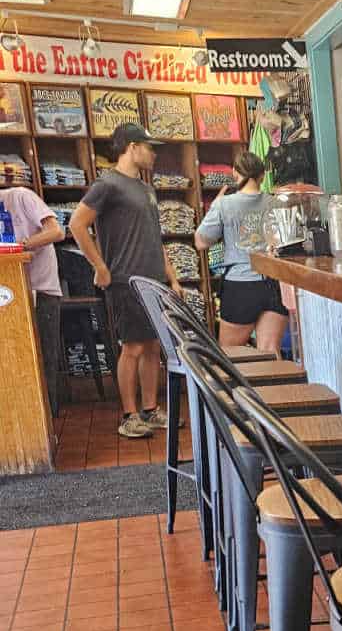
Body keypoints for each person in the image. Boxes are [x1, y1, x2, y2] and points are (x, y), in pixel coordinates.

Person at [69, 122, 185, 439]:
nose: (153, 154)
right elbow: (77, 224)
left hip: (154, 281)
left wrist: (172, 278)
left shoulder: (146, 189)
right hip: (126, 281)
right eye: (149, 147)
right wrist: (100, 267)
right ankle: (129, 416)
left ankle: (149, 409)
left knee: (152, 347)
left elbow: (154, 237)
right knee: (132, 347)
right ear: (132, 147)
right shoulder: (107, 184)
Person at [194, 152, 288, 353]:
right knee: (270, 352)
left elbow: (201, 242)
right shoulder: (276, 203)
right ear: (262, 176)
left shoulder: (224, 204)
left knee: (231, 353)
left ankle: (241, 387)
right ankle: (274, 386)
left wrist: (215, 207)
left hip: (239, 286)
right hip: (273, 284)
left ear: (235, 173)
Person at [0, 186, 65, 415]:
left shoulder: (20, 196)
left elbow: (57, 232)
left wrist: (20, 247)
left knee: (44, 357)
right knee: (12, 360)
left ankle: (48, 420)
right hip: (10, 294)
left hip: (42, 289)